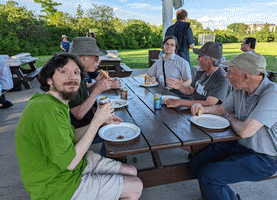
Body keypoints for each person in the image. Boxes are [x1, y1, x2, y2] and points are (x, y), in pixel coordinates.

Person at [15, 53, 143, 200]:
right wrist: (96, 122)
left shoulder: (55, 103)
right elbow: (70, 162)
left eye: (76, 72)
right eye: (64, 71)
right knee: (135, 186)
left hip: (72, 168)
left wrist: (101, 121)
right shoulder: (45, 109)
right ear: (49, 79)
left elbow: (71, 136)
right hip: (56, 186)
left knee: (132, 170)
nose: (73, 77)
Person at [188, 52, 277, 200]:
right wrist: (203, 109)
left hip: (265, 158)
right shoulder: (240, 89)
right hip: (239, 144)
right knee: (194, 165)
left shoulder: (272, 94)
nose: (227, 75)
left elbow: (244, 131)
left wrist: (229, 118)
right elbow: (222, 109)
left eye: (230, 71)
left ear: (246, 76)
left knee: (208, 175)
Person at [69, 37, 121, 156]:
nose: (99, 61)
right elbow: (78, 114)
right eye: (95, 57)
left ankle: (107, 158)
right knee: (117, 128)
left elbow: (84, 93)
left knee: (115, 120)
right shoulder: (71, 79)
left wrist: (99, 84)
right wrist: (98, 89)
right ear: (82, 59)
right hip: (74, 130)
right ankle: (107, 161)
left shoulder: (78, 73)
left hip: (85, 122)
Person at [163, 41, 231, 108]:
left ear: (210, 59)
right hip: (194, 111)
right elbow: (190, 90)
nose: (197, 59)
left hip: (209, 116)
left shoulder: (222, 79)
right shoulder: (202, 71)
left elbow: (209, 103)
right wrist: (180, 86)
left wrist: (180, 102)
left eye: (200, 56)